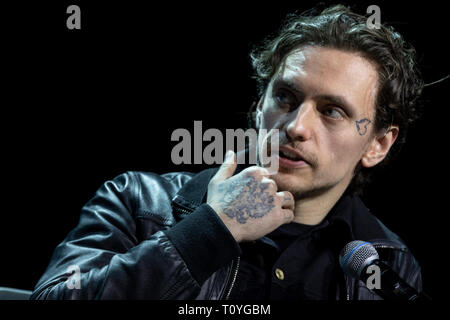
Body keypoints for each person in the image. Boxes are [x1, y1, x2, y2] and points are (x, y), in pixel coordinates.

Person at [31, 5, 425, 300]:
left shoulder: (389, 262)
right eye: (285, 97)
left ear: (377, 144)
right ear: (258, 106)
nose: (296, 127)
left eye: (332, 111)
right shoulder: (139, 202)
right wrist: (211, 230)